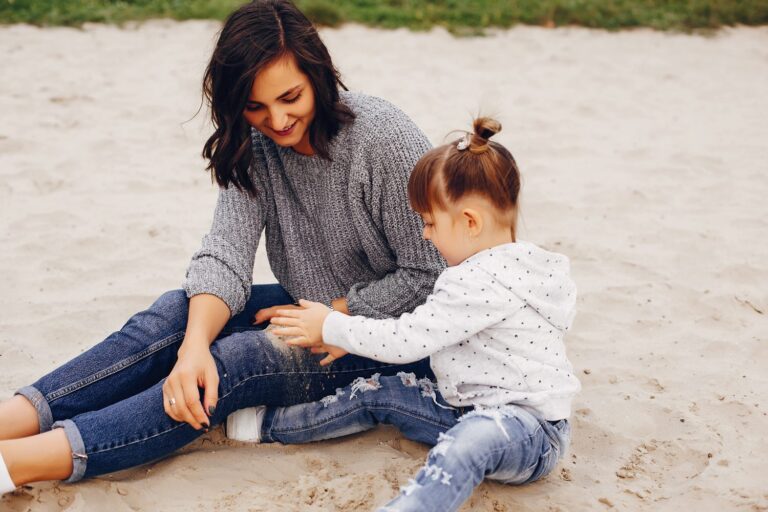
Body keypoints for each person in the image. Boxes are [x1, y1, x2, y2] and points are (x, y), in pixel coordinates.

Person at [0, 0, 444, 495]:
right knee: (178, 313)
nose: (276, 120)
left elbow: (431, 275)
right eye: (255, 106)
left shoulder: (382, 137)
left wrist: (339, 314)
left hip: (392, 338)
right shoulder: (253, 147)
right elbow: (225, 257)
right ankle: (11, 420)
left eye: (290, 97)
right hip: (311, 308)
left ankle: (15, 464)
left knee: (237, 363)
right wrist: (192, 348)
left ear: (317, 75)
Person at [239, 117, 581, 511]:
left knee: (469, 441)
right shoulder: (536, 266)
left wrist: (331, 326)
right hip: (463, 409)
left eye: (431, 222)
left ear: (470, 222)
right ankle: (269, 425)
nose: (425, 235)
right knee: (378, 394)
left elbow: (407, 339)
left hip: (526, 430)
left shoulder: (477, 280)